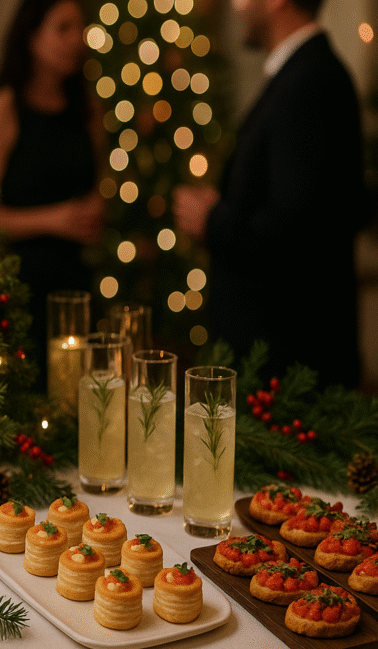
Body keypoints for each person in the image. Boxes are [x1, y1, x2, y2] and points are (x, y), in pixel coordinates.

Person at [173, 0, 367, 388]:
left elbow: (294, 229)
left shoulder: (307, 83)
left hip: (287, 368)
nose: (236, 6)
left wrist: (211, 221)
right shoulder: (302, 74)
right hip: (281, 360)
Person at [0, 0, 104, 384]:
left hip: (77, 282)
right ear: (31, 37)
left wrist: (94, 209)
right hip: (19, 288)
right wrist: (54, 220)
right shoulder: (3, 110)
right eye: (62, 28)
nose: (75, 40)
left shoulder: (88, 111)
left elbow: (95, 185)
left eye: (78, 29)